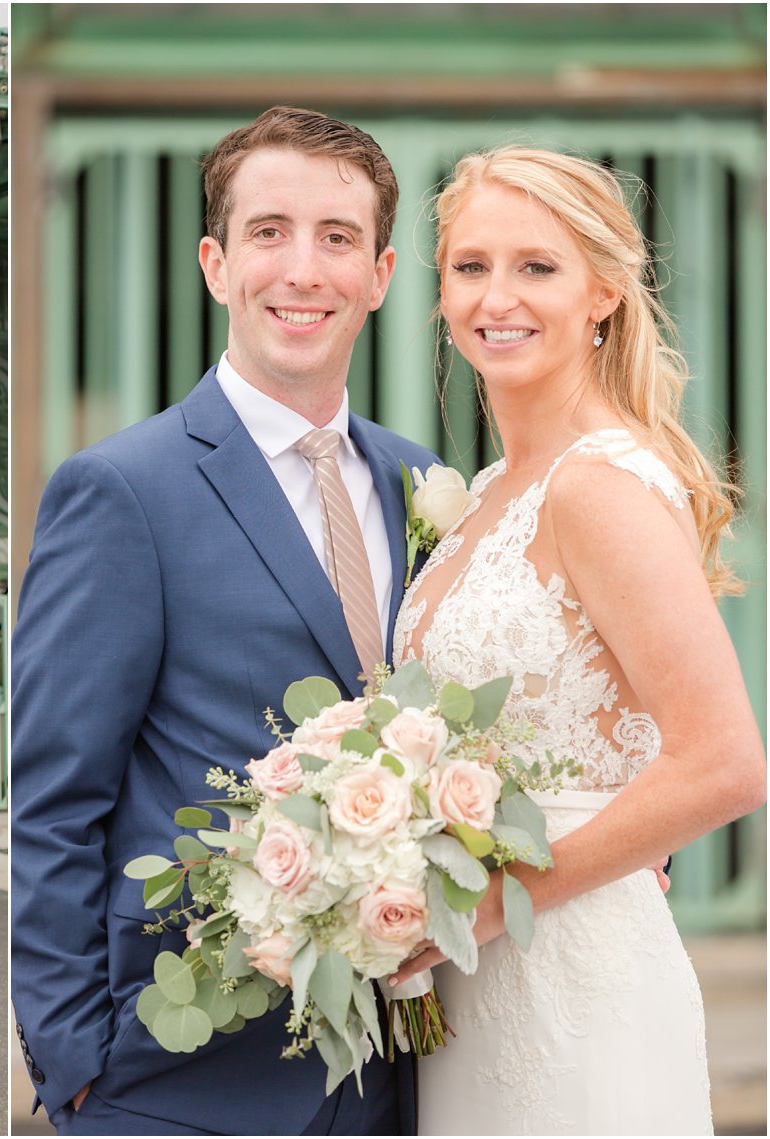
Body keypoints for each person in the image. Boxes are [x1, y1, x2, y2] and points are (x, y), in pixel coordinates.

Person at [11, 107, 439, 1135]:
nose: (302, 270)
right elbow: (53, 797)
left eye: (336, 238)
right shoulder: (119, 488)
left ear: (377, 275)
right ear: (214, 263)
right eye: (267, 232)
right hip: (176, 1070)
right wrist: (76, 1061)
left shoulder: (419, 481)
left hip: (394, 1072)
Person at [384, 145, 766, 1135]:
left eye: (534, 266)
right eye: (469, 266)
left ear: (600, 291)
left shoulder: (598, 485)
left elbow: (725, 762)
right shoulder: (478, 500)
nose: (493, 296)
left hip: (567, 981)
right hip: (466, 983)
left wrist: (483, 902)